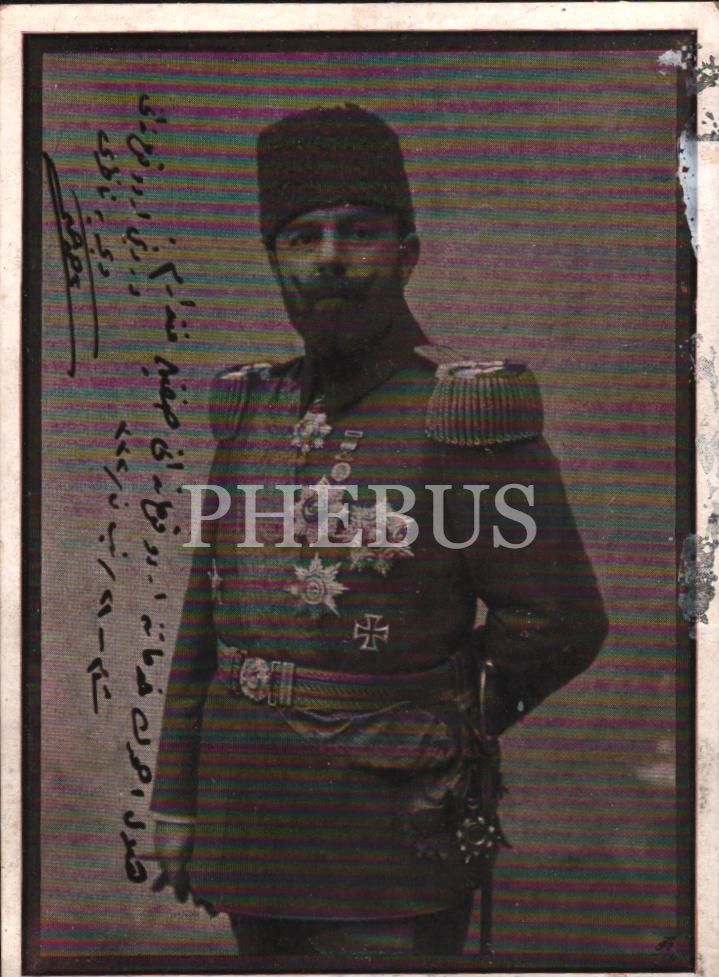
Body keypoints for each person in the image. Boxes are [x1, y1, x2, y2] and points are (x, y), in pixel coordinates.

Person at [150, 104, 608, 958]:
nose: (329, 257)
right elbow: (203, 620)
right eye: (302, 237)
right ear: (274, 260)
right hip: (250, 811)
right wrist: (176, 799)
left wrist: (441, 721)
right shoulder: (250, 409)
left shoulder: (462, 414)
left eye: (359, 231)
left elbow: (562, 623)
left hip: (391, 820)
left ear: (407, 253)